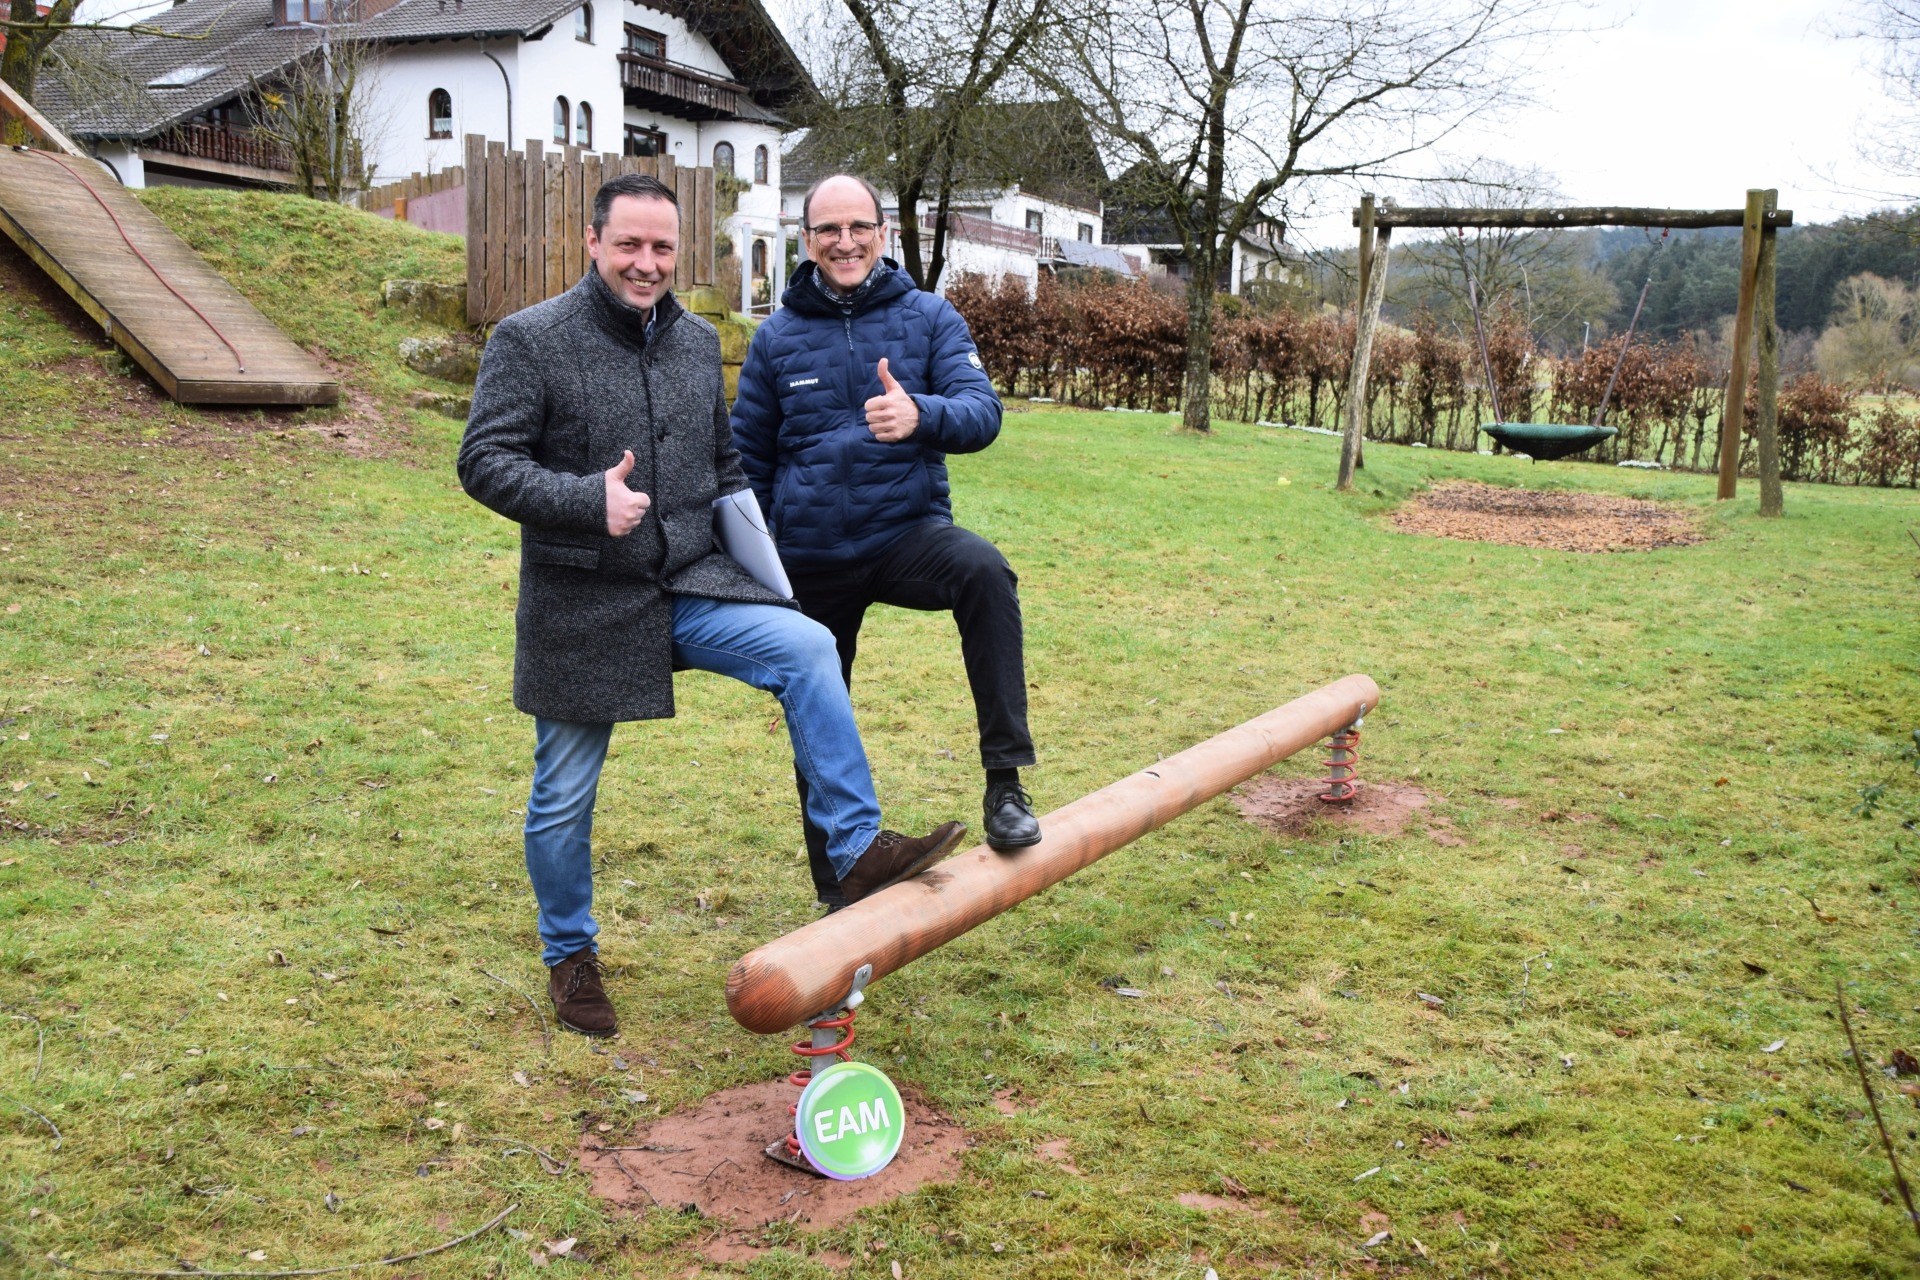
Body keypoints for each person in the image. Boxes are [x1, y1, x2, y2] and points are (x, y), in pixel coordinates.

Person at [457, 172, 963, 1038]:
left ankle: (858, 850)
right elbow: (484, 462)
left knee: (806, 649)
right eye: (629, 245)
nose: (646, 263)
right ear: (593, 242)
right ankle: (569, 956)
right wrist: (586, 500)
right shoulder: (529, 339)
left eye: (662, 248)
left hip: (693, 585)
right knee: (562, 795)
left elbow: (726, 468)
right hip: (584, 604)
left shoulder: (695, 342)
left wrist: (757, 552)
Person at [731, 173, 1040, 912]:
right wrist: (765, 565)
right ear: (807, 241)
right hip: (809, 557)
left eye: (858, 227)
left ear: (882, 232)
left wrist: (922, 414)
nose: (845, 242)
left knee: (986, 573)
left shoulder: (929, 318)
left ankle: (1005, 785)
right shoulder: (775, 339)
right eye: (828, 230)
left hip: (907, 534)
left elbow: (982, 413)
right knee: (817, 701)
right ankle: (838, 885)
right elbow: (746, 461)